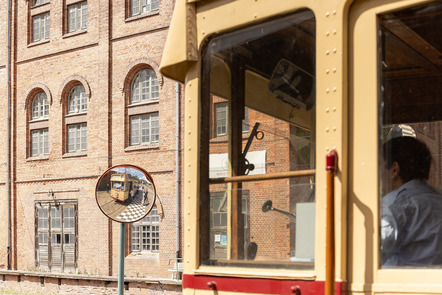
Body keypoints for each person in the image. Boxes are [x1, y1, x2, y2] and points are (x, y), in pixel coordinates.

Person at [381, 136, 442, 266]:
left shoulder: (395, 208)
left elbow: (366, 254)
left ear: (394, 169)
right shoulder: (437, 199)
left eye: (379, 165)